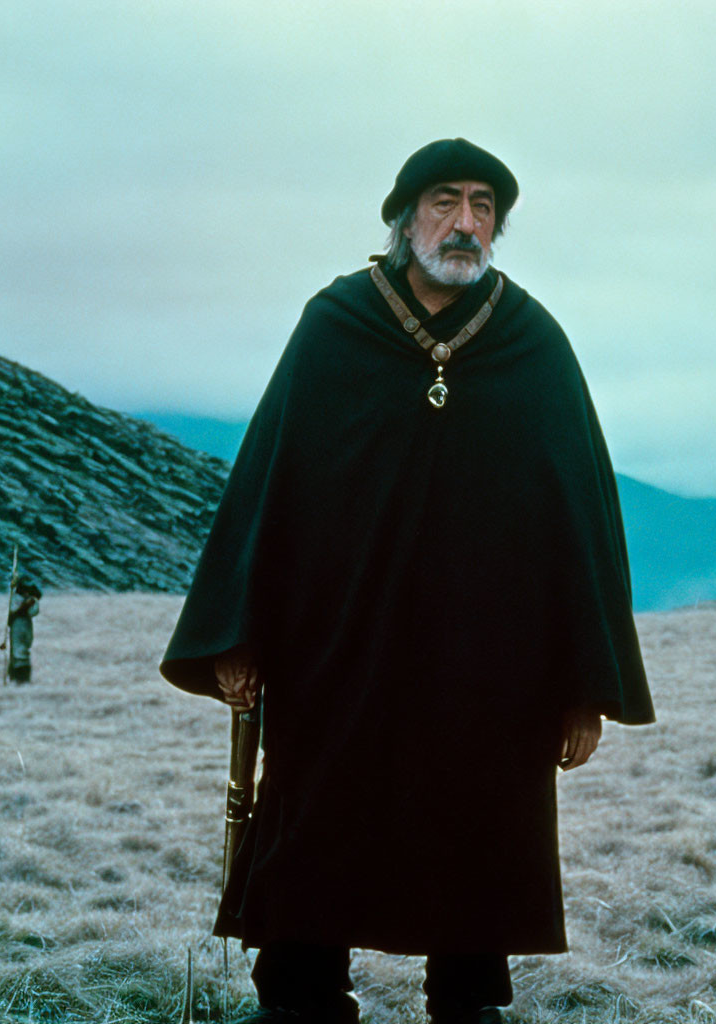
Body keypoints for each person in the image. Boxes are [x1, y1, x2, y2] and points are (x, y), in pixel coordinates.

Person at [160, 138, 655, 1024]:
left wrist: (584, 688)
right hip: (337, 651)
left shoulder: (533, 344)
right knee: (317, 819)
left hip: (489, 672)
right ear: (403, 218)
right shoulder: (337, 324)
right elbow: (270, 482)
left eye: (482, 206)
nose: (465, 224)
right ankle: (304, 998)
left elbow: (580, 522)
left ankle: (467, 1004)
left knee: (479, 831)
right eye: (443, 202)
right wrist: (237, 633)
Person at [7, 579, 41, 683]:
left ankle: (23, 676)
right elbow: (14, 611)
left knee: (24, 647)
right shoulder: (16, 598)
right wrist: (25, 606)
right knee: (18, 649)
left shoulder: (31, 600)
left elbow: (33, 612)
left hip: (25, 624)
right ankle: (17, 676)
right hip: (18, 625)